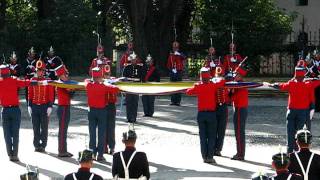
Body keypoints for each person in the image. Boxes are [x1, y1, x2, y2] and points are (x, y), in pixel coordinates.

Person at [186, 67, 225, 164]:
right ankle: (210, 157)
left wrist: (195, 85)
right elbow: (222, 82)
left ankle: (204, 157)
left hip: (201, 114)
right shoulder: (213, 85)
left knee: (203, 137)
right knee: (211, 137)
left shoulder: (198, 86)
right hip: (211, 114)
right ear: (209, 77)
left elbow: (188, 92)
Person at [269, 66, 311, 153]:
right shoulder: (308, 84)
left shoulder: (291, 84)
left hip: (291, 111)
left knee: (290, 132)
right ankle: (298, 150)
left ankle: (289, 151)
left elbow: (280, 86)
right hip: (302, 112)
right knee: (300, 132)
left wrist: (272, 84)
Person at [0, 64, 34, 161]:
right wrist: (33, 80)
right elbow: (26, 83)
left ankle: (10, 154)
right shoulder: (14, 80)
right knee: (15, 134)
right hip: (15, 110)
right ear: (8, 72)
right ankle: (15, 155)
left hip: (5, 110)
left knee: (6, 134)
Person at [85, 67, 119, 162]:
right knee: (101, 134)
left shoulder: (88, 85)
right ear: (100, 77)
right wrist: (107, 83)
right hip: (102, 112)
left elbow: (86, 80)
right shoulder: (104, 86)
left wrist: (94, 80)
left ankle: (92, 153)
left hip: (91, 111)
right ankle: (100, 155)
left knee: (92, 133)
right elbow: (115, 89)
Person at [28, 59, 55, 152]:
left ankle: (43, 145)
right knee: (35, 127)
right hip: (34, 106)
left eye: (41, 70)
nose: (39, 72)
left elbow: (51, 94)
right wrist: (29, 105)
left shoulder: (48, 81)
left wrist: (50, 106)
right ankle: (36, 145)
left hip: (44, 107)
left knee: (44, 128)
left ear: (43, 71)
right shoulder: (32, 80)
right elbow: (30, 94)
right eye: (38, 70)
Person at [55, 65, 74, 157]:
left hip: (66, 107)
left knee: (64, 130)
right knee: (62, 130)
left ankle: (64, 149)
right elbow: (70, 94)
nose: (67, 76)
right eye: (65, 74)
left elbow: (70, 94)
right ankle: (61, 151)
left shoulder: (64, 83)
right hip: (63, 108)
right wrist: (72, 89)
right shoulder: (61, 83)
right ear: (61, 75)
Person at [122, 52, 144, 123]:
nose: (133, 61)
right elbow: (124, 77)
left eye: (134, 59)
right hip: (128, 87)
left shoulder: (140, 67)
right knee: (128, 103)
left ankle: (134, 118)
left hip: (136, 87)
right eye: (132, 59)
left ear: (136, 60)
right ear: (130, 60)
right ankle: (128, 118)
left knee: (135, 103)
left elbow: (142, 77)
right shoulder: (127, 67)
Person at [212, 66, 229, 156]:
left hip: (223, 107)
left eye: (220, 74)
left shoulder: (226, 82)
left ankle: (218, 149)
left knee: (221, 129)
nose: (219, 76)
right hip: (214, 107)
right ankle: (213, 148)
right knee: (214, 129)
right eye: (218, 75)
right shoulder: (214, 81)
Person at [167, 41, 186, 106]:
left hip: (178, 72)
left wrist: (179, 54)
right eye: (174, 47)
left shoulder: (180, 54)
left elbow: (184, 57)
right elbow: (168, 64)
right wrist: (171, 69)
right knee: (172, 86)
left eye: (176, 47)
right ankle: (173, 101)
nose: (175, 48)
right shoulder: (171, 55)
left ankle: (178, 101)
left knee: (178, 86)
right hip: (173, 72)